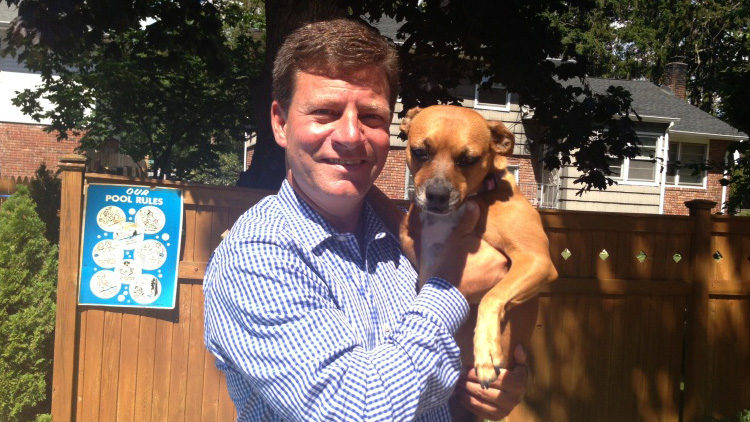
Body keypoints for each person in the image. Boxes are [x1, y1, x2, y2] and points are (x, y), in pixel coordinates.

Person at [204, 18, 528, 422]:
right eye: (325, 112)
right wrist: (452, 288)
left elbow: (435, 388)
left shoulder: (407, 234)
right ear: (280, 123)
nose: (351, 136)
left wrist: (480, 395)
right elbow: (355, 410)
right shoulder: (257, 255)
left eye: (372, 117)